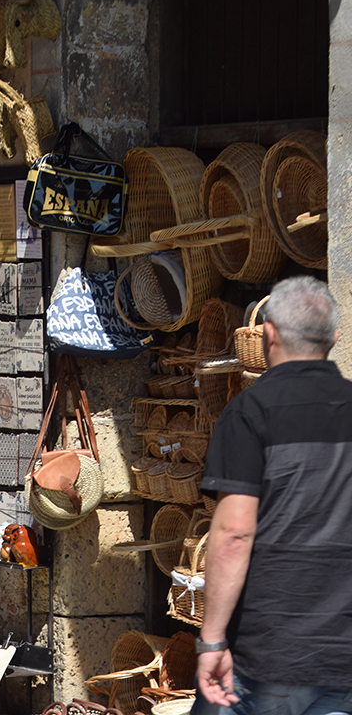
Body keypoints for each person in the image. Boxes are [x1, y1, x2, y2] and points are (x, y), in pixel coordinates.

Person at [196, 276, 352, 715]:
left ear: (269, 335)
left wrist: (212, 640)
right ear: (334, 339)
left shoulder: (249, 413)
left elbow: (232, 536)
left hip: (270, 657)